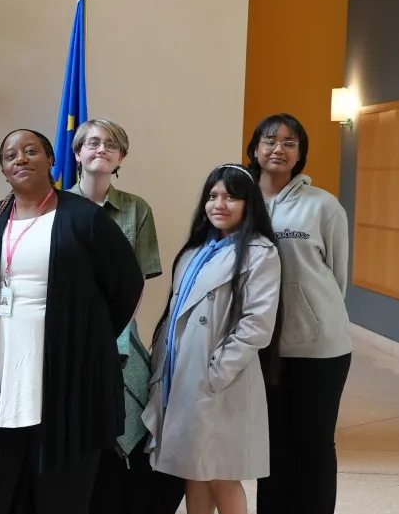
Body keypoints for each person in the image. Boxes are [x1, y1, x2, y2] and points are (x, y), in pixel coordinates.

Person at [0, 128, 144, 514]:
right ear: (3, 170)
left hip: (68, 378)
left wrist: (88, 338)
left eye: (31, 150)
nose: (21, 158)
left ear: (52, 161)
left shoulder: (85, 218)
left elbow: (126, 285)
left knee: (60, 495)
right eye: (10, 154)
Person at [142, 163, 282, 514]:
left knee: (219, 472)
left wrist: (215, 371)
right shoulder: (194, 252)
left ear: (249, 204)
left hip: (218, 380)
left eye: (231, 197)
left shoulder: (260, 252)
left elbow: (257, 326)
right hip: (180, 375)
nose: (219, 204)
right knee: (195, 470)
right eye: (213, 195)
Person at [67, 118, 184, 514]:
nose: (101, 149)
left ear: (121, 158)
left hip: (119, 332)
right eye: (93, 143)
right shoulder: (54, 206)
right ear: (77, 152)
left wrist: (112, 330)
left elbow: (138, 281)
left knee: (127, 424)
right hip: (65, 332)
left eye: (111, 145)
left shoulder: (137, 209)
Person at [247, 114, 351, 514]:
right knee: (270, 445)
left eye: (290, 142)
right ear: (255, 149)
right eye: (270, 140)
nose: (279, 148)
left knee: (314, 444)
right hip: (260, 346)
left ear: (300, 154)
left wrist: (311, 317)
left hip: (318, 348)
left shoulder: (323, 206)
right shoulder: (240, 201)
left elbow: (337, 279)